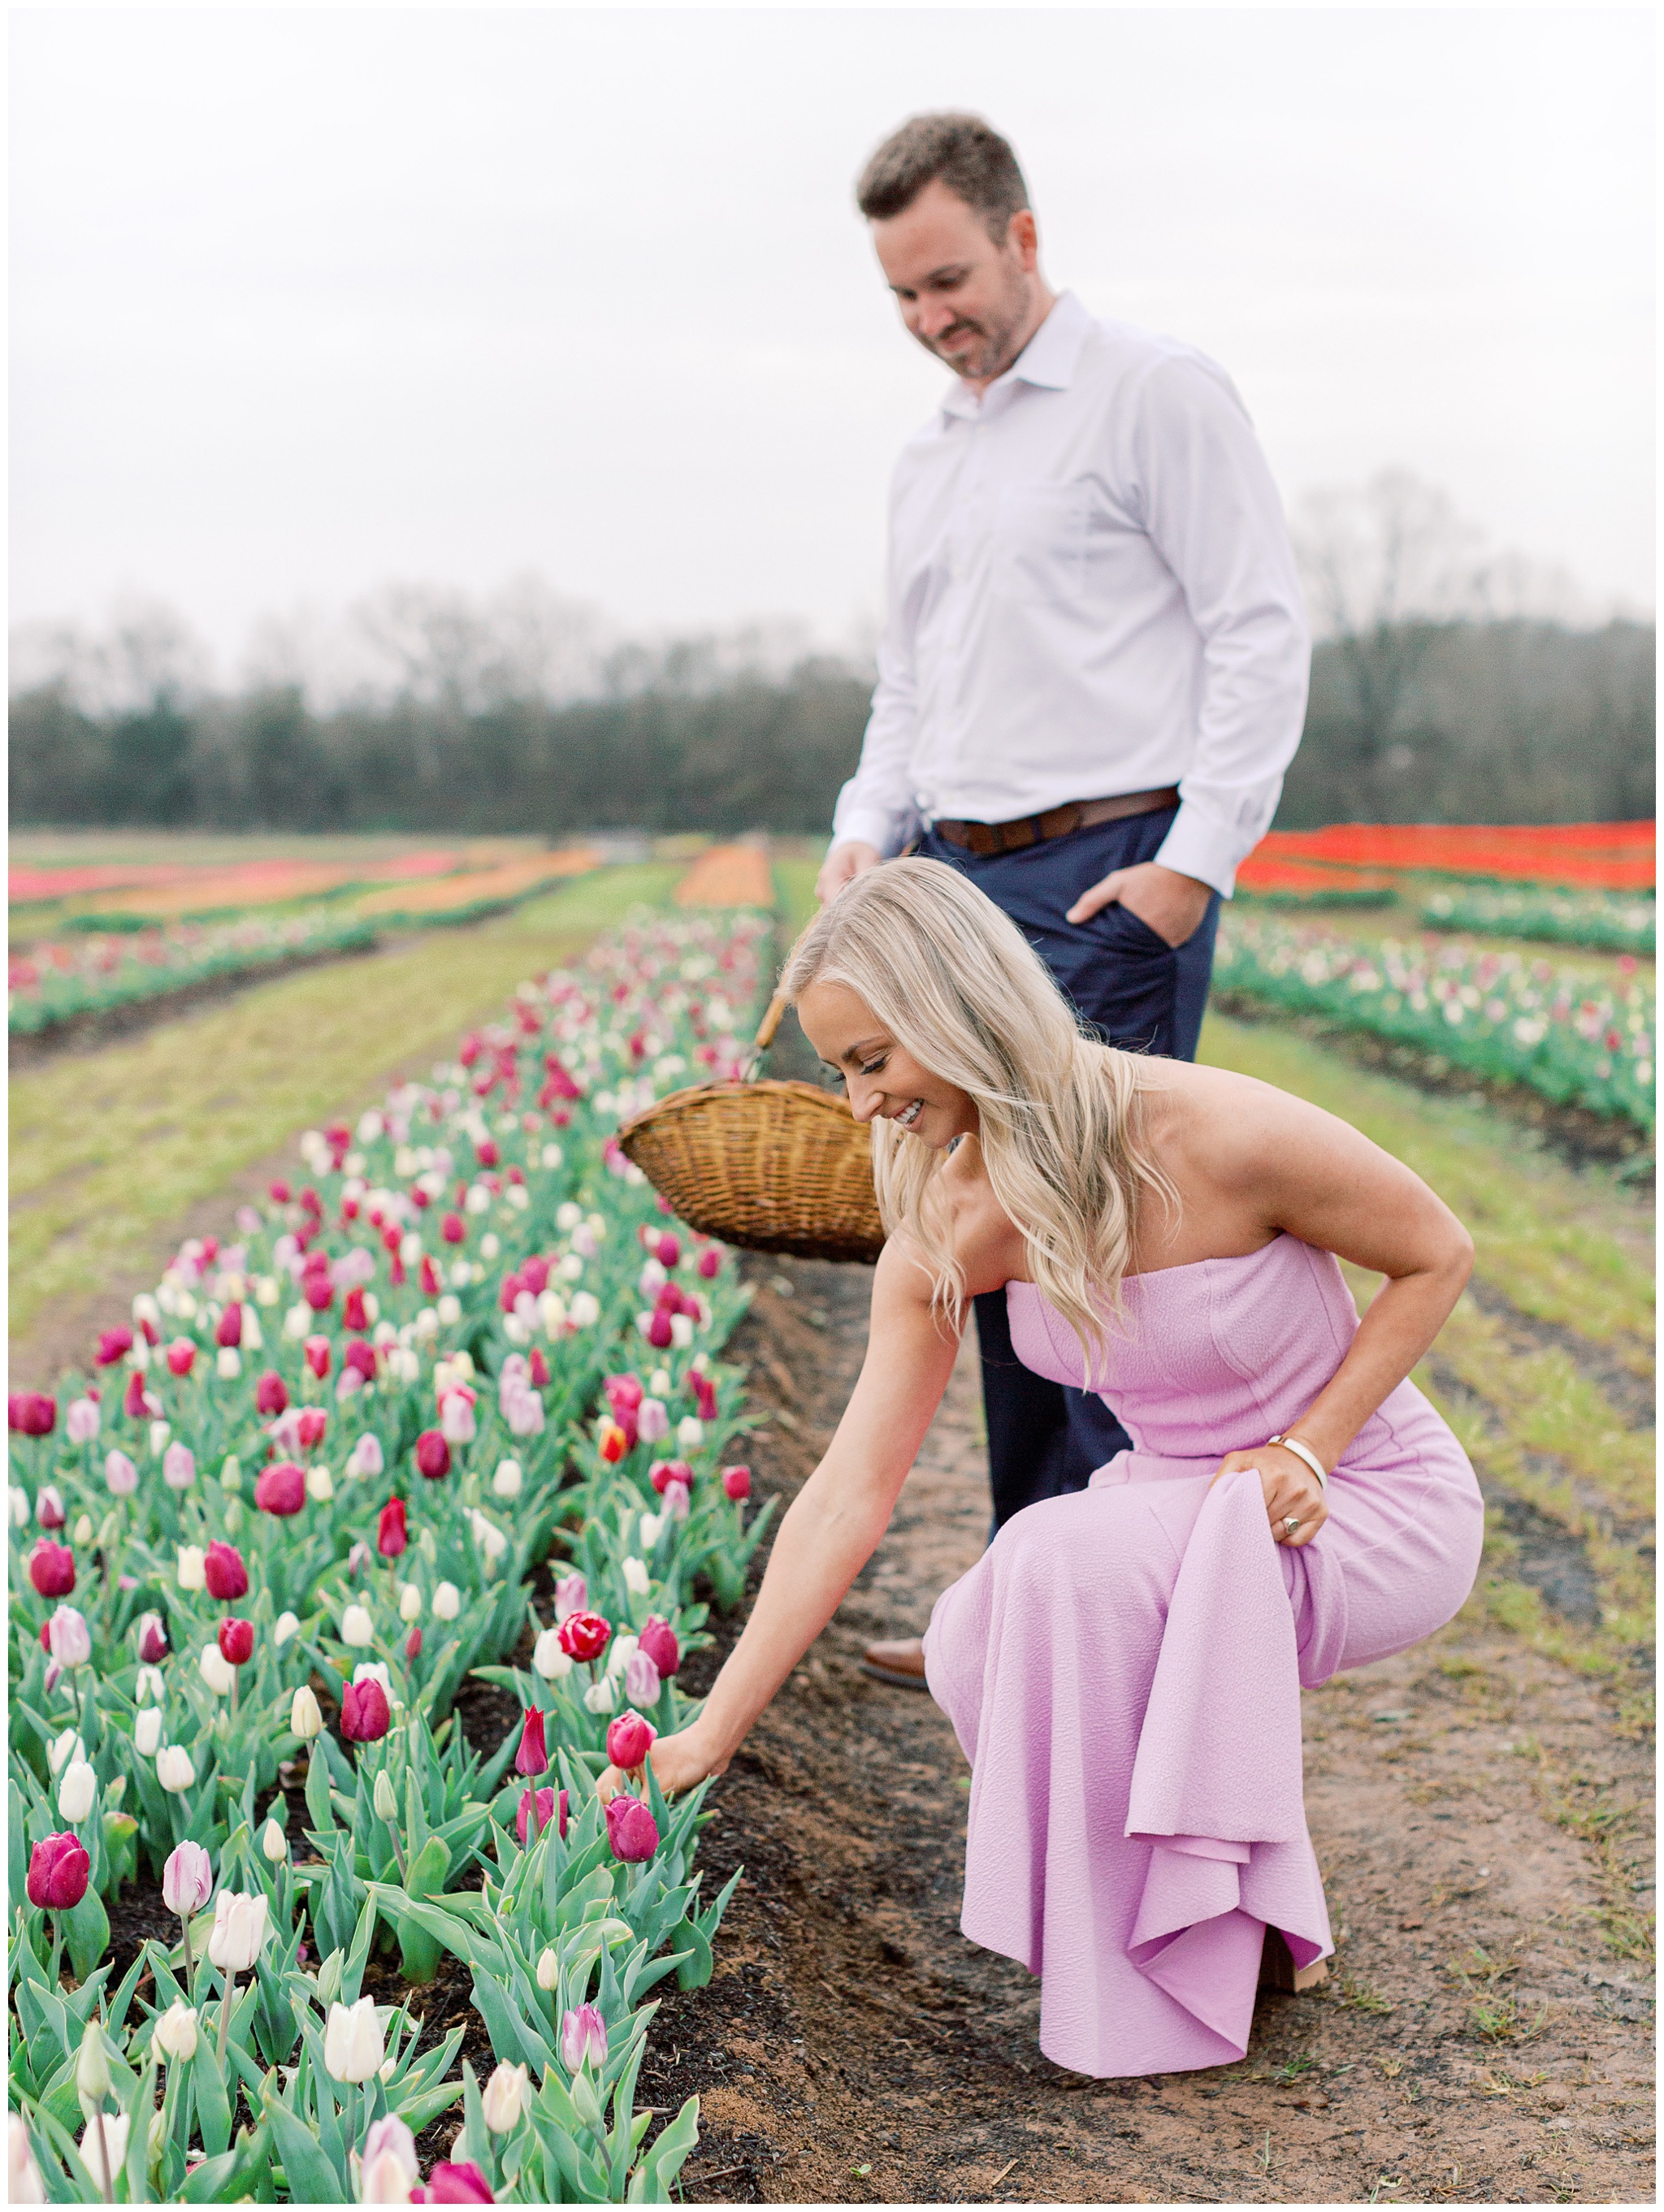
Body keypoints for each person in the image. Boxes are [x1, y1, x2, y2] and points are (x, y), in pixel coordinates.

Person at [605, 862, 1484, 2079]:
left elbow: (1438, 1253)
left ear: (957, 1008)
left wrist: (1310, 1445)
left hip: (1358, 1500)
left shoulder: (1214, 1132)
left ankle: (1164, 1989)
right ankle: (1239, 1918)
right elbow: (851, 1492)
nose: (858, 1106)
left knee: (1055, 1560)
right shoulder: (948, 1218)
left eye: (873, 1062)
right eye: (838, 1072)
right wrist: (713, 1728)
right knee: (975, 1638)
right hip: (1179, 1498)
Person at [815, 114, 1312, 1687]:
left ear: (1022, 239)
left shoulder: (1149, 394)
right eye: (901, 294)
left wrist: (1192, 864)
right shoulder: (931, 452)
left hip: (1105, 873)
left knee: (1115, 1259)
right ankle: (1032, 1597)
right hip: (958, 884)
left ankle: (1148, 1625)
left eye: (948, 278)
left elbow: (1257, 627)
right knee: (996, 1245)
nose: (929, 317)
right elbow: (910, 678)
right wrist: (863, 832)